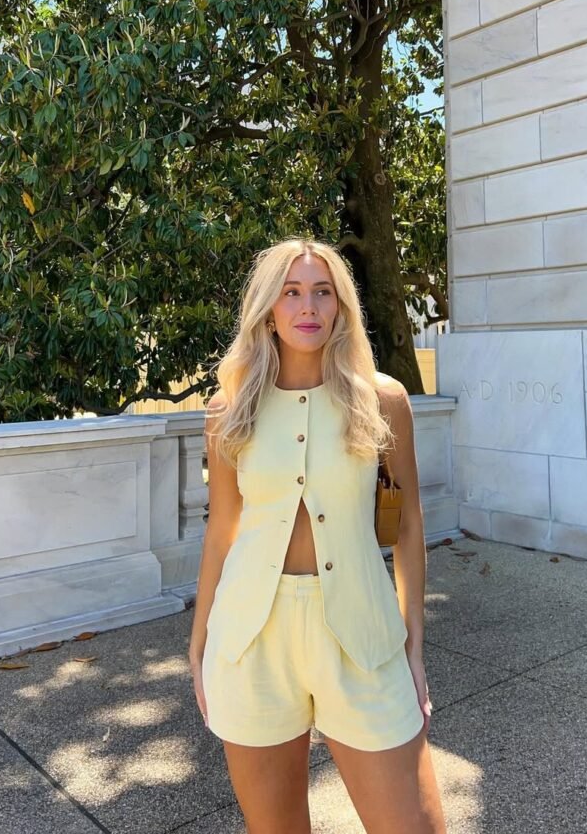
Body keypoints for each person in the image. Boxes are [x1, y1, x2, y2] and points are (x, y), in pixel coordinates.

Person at [189, 237, 447, 834]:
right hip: (251, 641)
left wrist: (414, 646)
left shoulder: (383, 399)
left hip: (363, 634)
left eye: (322, 292)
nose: (308, 306)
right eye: (292, 292)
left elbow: (407, 524)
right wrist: (199, 644)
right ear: (269, 309)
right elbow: (222, 530)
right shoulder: (230, 408)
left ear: (340, 306)